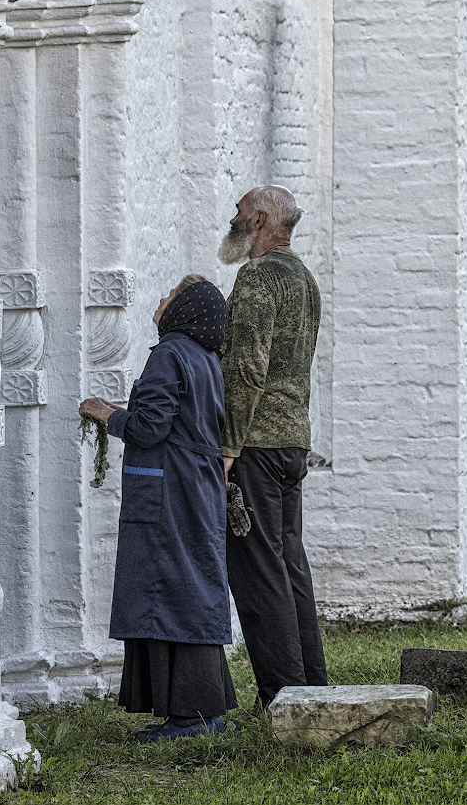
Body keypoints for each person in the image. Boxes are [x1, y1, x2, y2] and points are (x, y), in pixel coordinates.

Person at [79, 274, 237, 740]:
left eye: (170, 296)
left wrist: (107, 414)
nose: (161, 300)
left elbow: (150, 428)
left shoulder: (171, 353)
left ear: (185, 310)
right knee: (191, 586)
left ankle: (191, 718)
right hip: (195, 485)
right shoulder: (206, 358)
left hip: (172, 489)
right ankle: (201, 711)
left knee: (171, 588)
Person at [218, 185, 328, 708]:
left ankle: (284, 698)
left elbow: (246, 367)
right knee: (290, 565)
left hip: (257, 446)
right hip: (292, 443)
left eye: (239, 212)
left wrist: (229, 444)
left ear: (261, 220)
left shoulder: (258, 277)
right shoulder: (305, 278)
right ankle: (312, 686)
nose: (232, 218)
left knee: (260, 571)